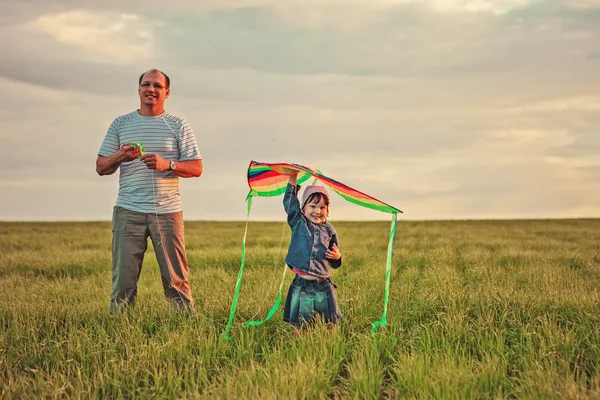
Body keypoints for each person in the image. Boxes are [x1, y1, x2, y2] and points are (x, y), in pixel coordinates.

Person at [96, 69, 202, 313]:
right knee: (123, 279)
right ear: (138, 89)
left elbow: (196, 167)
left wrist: (168, 164)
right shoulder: (121, 124)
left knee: (176, 278)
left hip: (167, 212)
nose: (150, 89)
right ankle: (120, 327)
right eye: (146, 84)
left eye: (157, 85)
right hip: (128, 210)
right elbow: (101, 167)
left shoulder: (178, 125)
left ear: (167, 92)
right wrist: (121, 155)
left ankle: (185, 325)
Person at [281, 172, 343, 330]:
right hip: (302, 284)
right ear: (303, 208)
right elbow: (290, 203)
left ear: (328, 209)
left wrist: (337, 257)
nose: (317, 211)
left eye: (322, 207)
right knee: (303, 319)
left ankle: (328, 337)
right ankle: (301, 336)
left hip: (323, 284)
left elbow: (334, 260)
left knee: (329, 317)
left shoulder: (329, 230)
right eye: (313, 206)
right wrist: (292, 177)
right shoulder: (298, 223)